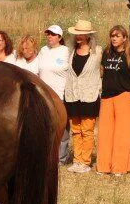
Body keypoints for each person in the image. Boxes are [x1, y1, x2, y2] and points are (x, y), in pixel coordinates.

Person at [98, 25, 130, 176]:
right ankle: (103, 166)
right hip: (107, 96)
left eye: (118, 36)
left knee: (122, 133)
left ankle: (120, 167)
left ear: (125, 38)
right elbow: (102, 72)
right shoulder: (106, 53)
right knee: (105, 133)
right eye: (112, 36)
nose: (114, 38)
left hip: (124, 95)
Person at [64, 20, 101, 173]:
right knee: (75, 130)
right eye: (76, 34)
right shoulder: (70, 51)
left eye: (81, 34)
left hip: (89, 95)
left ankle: (85, 161)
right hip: (73, 95)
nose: (78, 37)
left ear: (88, 35)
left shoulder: (98, 52)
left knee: (87, 130)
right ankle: (77, 160)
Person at [37, 25, 72, 163]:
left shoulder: (66, 51)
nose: (49, 37)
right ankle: (45, 155)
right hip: (43, 96)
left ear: (59, 37)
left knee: (62, 128)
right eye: (48, 34)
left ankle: (61, 157)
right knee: (44, 126)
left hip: (60, 95)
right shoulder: (43, 51)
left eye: (53, 34)